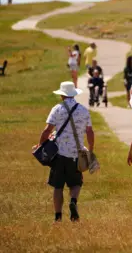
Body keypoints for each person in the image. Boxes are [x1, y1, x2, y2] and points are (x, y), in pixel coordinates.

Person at [37, 81, 94, 222]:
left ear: (62, 95)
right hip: (76, 154)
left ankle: (58, 217)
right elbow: (90, 132)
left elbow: (47, 131)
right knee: (76, 183)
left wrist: (40, 145)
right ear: (73, 94)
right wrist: (91, 150)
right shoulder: (83, 110)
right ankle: (73, 201)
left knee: (58, 186)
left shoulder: (57, 109)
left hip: (59, 154)